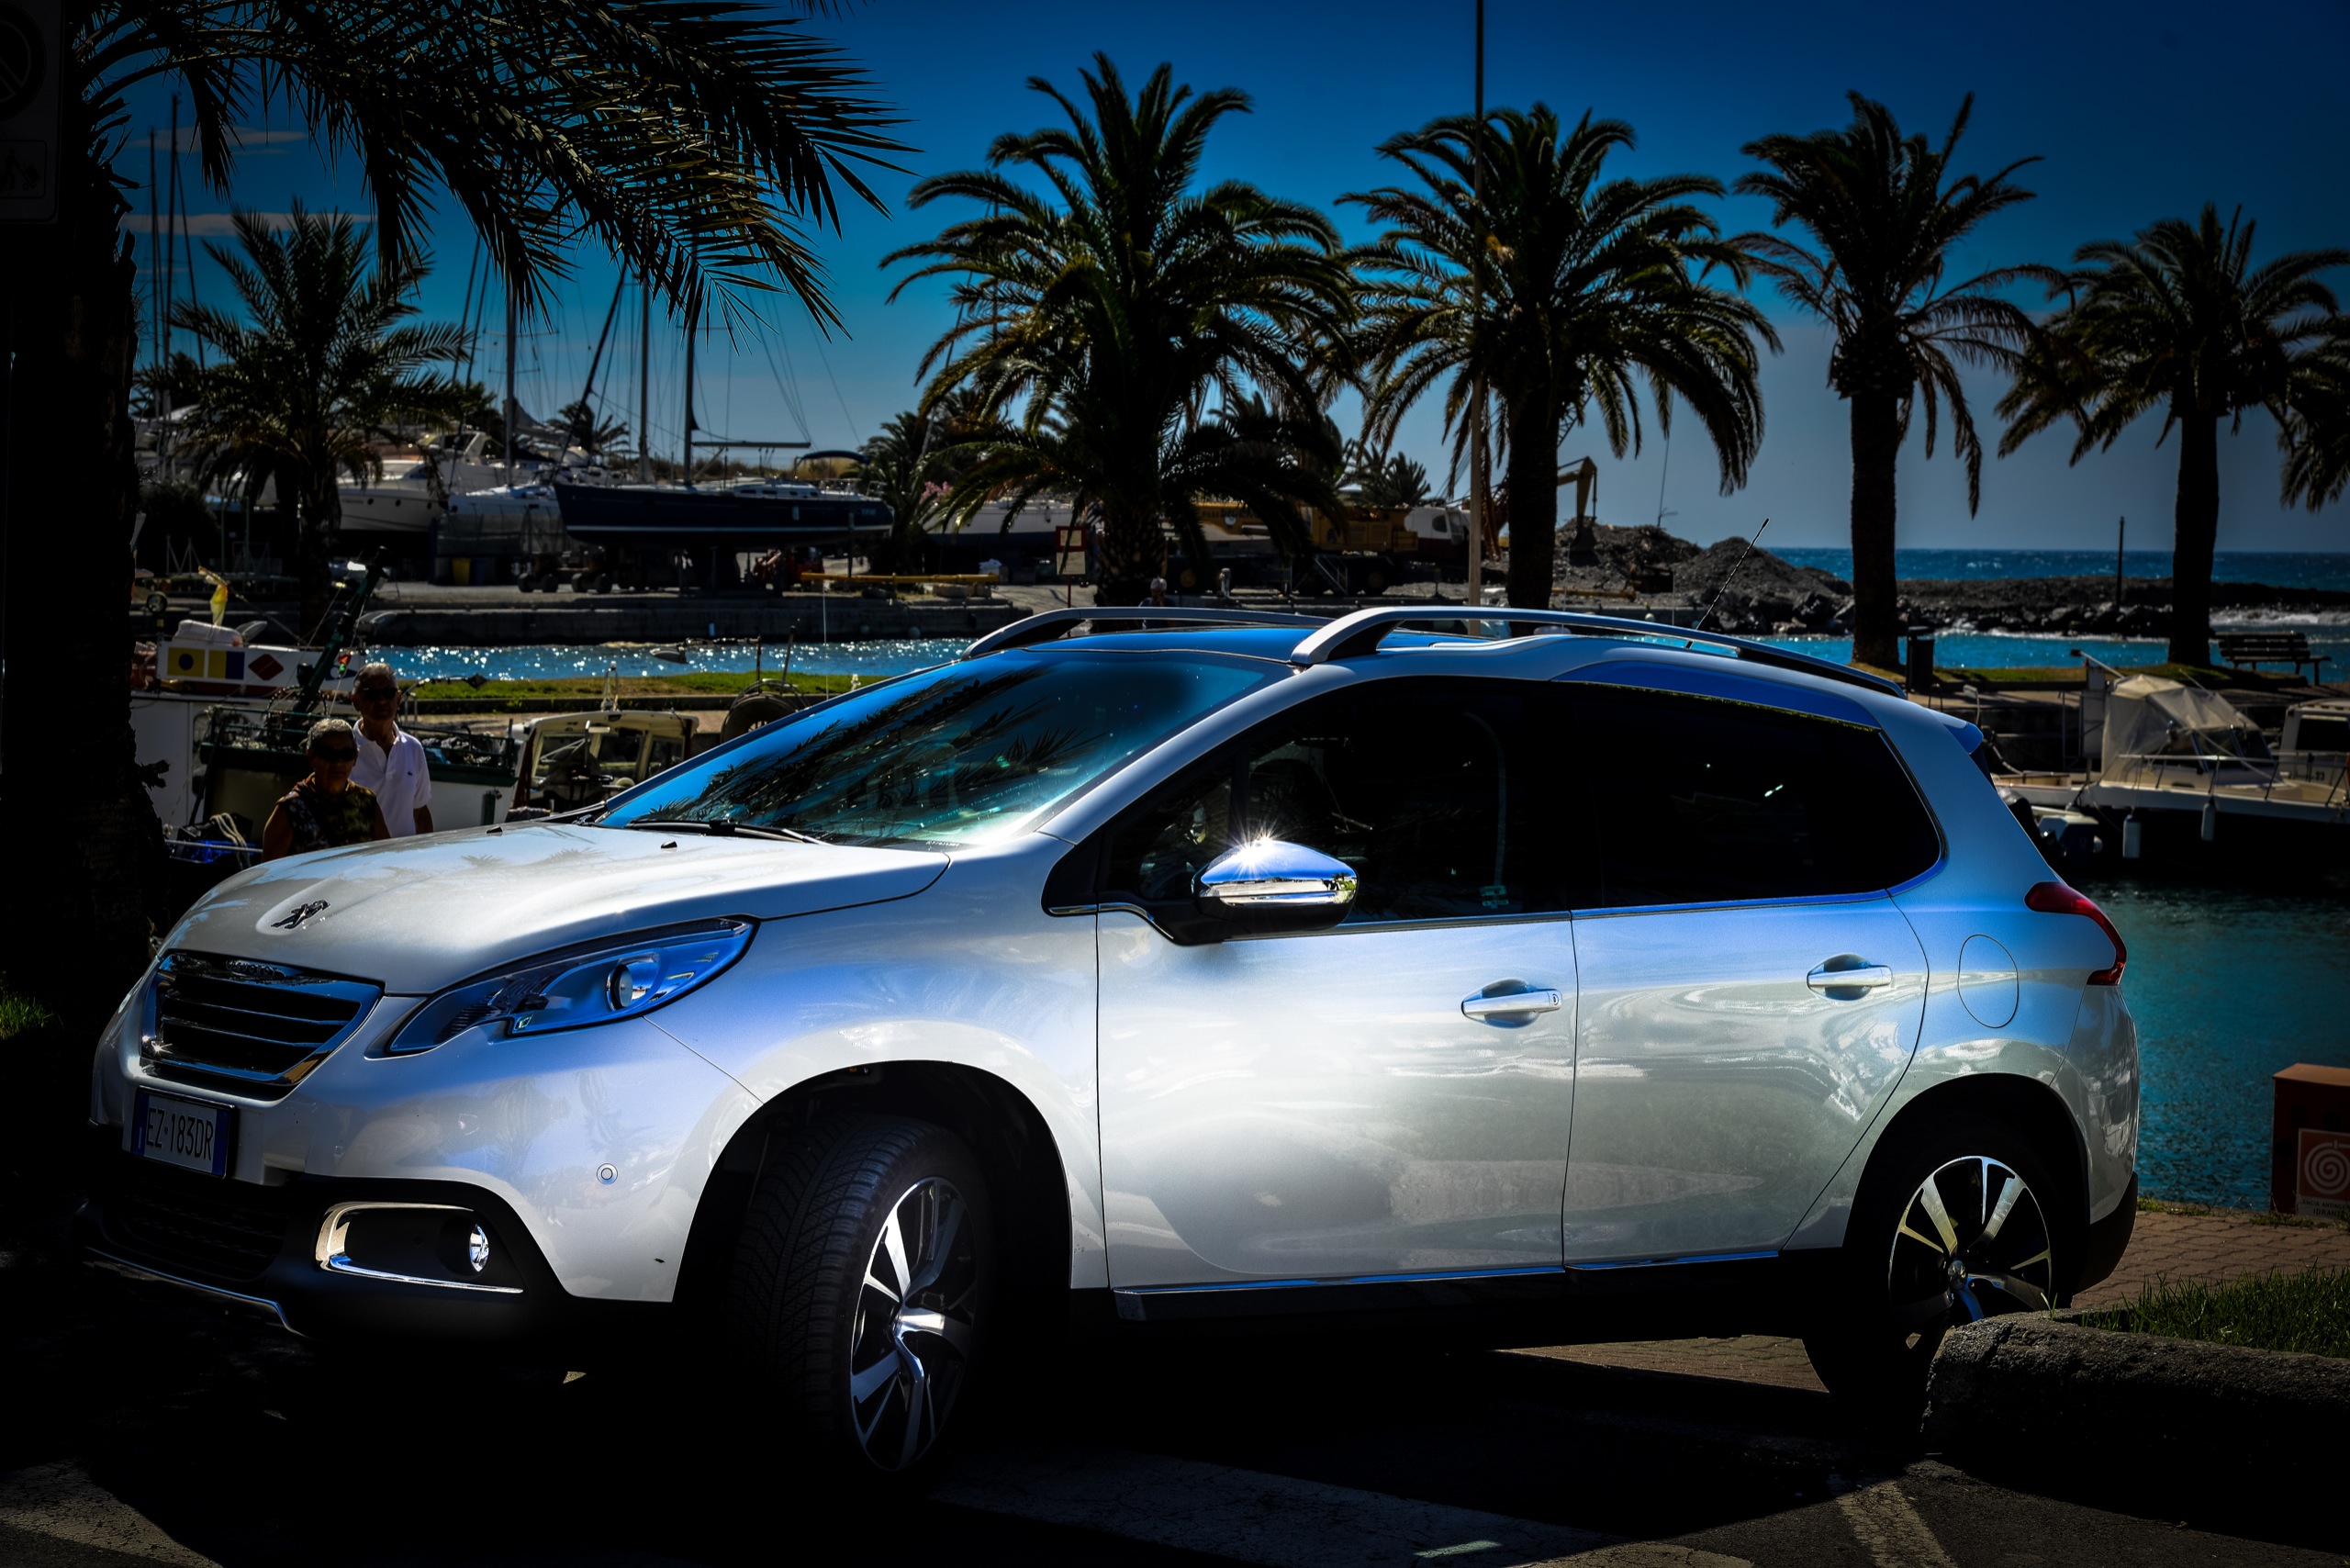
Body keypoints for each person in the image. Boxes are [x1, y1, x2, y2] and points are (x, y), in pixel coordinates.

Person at [262, 719, 390, 860]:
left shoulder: (367, 802)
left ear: (355, 759)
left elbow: (385, 859)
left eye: (346, 754)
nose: (338, 762)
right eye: (328, 754)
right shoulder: (290, 809)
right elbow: (269, 870)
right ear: (311, 756)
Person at [348, 661, 435, 836]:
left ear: (398, 698)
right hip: (361, 853)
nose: (381, 700)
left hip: (405, 854)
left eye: (388, 693)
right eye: (371, 694)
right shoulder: (344, 751)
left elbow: (419, 812)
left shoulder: (413, 748)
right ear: (356, 701)